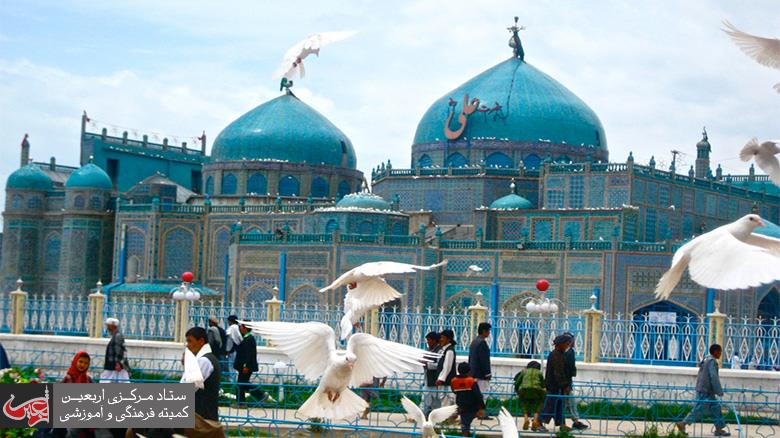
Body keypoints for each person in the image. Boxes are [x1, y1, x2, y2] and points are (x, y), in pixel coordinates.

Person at [676, 344, 730, 436]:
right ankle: (683, 423)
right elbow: (713, 377)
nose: (720, 354)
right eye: (720, 352)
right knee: (698, 409)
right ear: (715, 352)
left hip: (705, 389)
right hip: (705, 391)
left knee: (716, 408)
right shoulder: (712, 362)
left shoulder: (706, 359)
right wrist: (719, 390)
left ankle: (718, 428)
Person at [183, 326, 221, 421]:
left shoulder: (204, 361)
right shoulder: (207, 359)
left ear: (201, 341)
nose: (187, 345)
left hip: (202, 420)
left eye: (190, 341)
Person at [539, 335, 572, 432]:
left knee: (559, 406)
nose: (567, 346)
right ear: (560, 344)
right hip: (554, 385)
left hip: (558, 385)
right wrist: (565, 385)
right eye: (566, 344)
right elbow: (558, 372)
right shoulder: (556, 355)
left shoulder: (560, 354)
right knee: (550, 406)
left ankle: (562, 424)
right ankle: (538, 422)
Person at [450, 362, 485, 437]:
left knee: (465, 422)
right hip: (472, 406)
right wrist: (482, 407)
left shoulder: (454, 381)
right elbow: (478, 395)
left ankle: (464, 430)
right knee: (466, 424)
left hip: (461, 406)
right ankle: (465, 434)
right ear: (469, 371)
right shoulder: (471, 381)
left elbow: (454, 391)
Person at [562, 332, 587, 430]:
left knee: (567, 403)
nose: (574, 342)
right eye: (572, 340)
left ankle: (574, 421)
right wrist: (567, 384)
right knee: (568, 403)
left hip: (566, 382)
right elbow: (567, 368)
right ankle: (539, 421)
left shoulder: (567, 351)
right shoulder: (568, 352)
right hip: (565, 383)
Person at [468, 322, 492, 420]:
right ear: (484, 331)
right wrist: (487, 373)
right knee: (483, 394)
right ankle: (481, 413)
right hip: (481, 374)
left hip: (473, 373)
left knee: (476, 394)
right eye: (488, 331)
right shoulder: (482, 343)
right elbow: (484, 360)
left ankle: (476, 411)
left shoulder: (474, 341)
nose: (489, 333)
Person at [514, 360, 545, 431]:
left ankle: (526, 419)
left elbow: (518, 382)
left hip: (524, 390)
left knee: (523, 403)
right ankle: (535, 420)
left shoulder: (524, 371)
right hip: (537, 390)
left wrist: (517, 390)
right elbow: (543, 384)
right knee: (539, 403)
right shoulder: (539, 372)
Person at [233, 323, 258, 405]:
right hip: (244, 366)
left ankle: (260, 394)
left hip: (246, 367)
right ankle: (241, 402)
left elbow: (248, 354)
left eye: (241, 327)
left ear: (245, 328)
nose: (240, 328)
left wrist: (246, 365)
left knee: (241, 384)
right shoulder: (247, 338)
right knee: (242, 384)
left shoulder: (248, 339)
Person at [100, 318, 130, 382]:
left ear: (113, 326)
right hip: (113, 364)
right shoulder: (116, 335)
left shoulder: (117, 336)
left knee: (105, 380)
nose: (107, 328)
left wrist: (118, 363)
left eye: (108, 326)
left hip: (114, 364)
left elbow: (119, 350)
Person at [435, 329, 457, 407]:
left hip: (447, 382)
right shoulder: (444, 350)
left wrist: (441, 379)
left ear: (448, 339)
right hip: (445, 381)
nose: (441, 339)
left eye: (443, 338)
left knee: (446, 401)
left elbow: (447, 366)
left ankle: (447, 418)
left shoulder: (449, 351)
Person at [422, 331, 442, 417]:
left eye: (429, 340)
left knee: (436, 399)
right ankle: (425, 414)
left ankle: (436, 416)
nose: (428, 342)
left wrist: (427, 364)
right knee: (426, 398)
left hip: (436, 378)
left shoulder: (440, 351)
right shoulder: (428, 350)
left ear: (434, 340)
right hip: (428, 378)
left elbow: (440, 365)